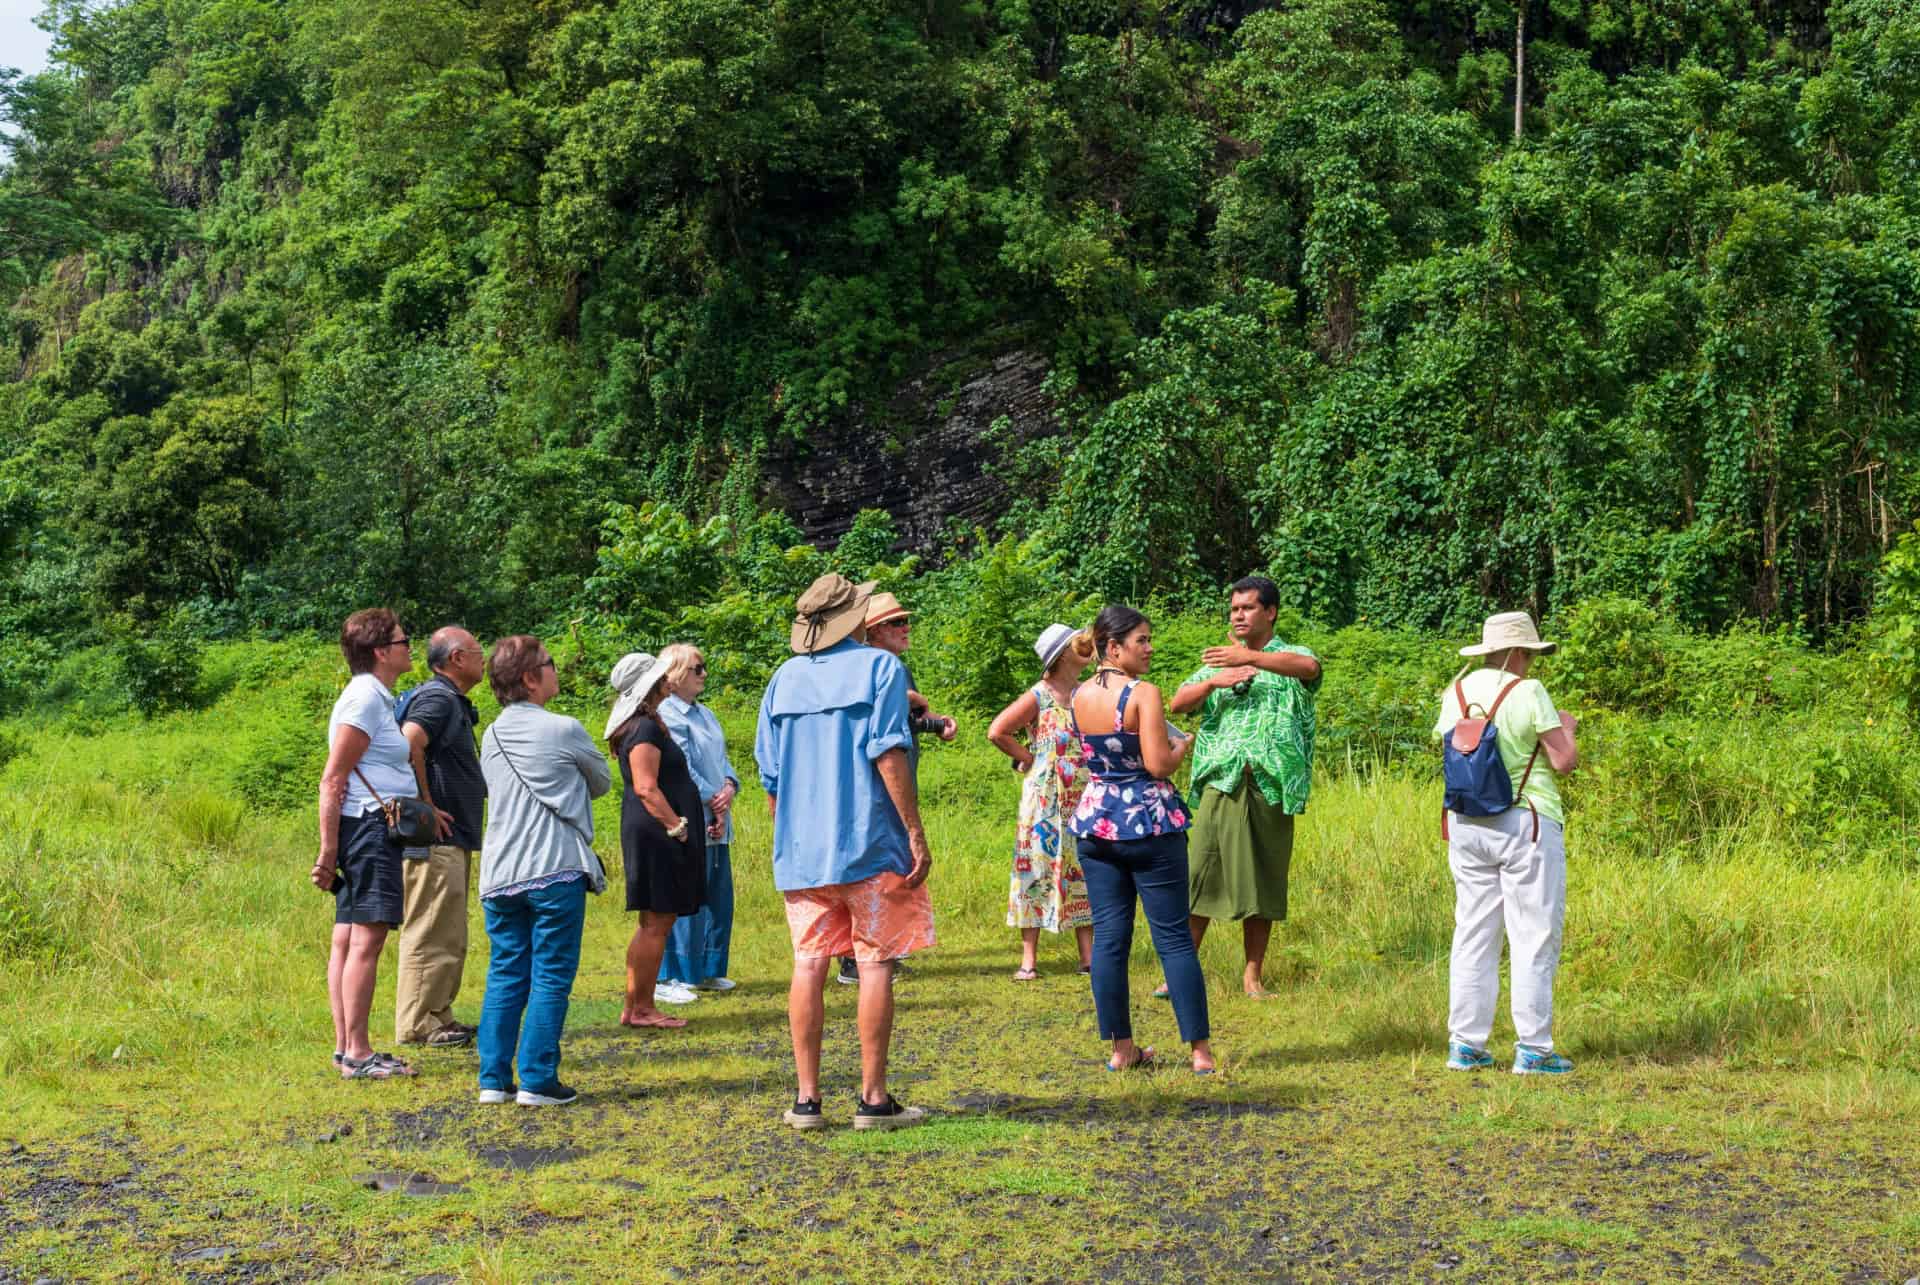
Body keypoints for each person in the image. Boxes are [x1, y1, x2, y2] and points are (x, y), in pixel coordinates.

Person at [758, 573, 935, 1130]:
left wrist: (792, 834)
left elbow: (771, 775)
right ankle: (873, 1099)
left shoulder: (783, 679)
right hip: (870, 841)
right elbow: (888, 752)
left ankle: (807, 1100)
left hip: (803, 851)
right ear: (855, 620)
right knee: (875, 961)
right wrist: (914, 831)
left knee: (809, 962)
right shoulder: (882, 669)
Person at [1070, 605, 1215, 1075]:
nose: (1150, 648)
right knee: (1173, 938)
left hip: (1095, 822)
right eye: (1142, 641)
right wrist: (1179, 748)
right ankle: (1200, 1053)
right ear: (1114, 648)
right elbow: (1156, 765)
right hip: (1148, 822)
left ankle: (1121, 1049)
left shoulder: (1078, 694)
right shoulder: (1144, 693)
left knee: (1110, 939)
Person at [1433, 611, 1579, 1076]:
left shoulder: (1456, 693)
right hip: (1525, 820)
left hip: (1467, 823)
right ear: (1519, 652)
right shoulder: (1528, 691)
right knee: (1532, 933)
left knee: (1474, 931)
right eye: (1530, 655)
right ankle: (1534, 1049)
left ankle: (1466, 1044)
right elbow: (1563, 762)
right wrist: (1568, 727)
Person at [475, 635, 613, 1106]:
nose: (557, 671)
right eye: (550, 665)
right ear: (531, 679)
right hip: (553, 865)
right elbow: (601, 782)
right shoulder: (564, 728)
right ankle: (537, 1078)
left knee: (506, 972)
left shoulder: (490, 734)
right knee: (552, 973)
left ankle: (493, 1080)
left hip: (500, 870)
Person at [1170, 575, 1322, 998]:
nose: (1238, 615)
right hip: (1223, 778)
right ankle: (1180, 972)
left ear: (1270, 612)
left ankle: (1252, 976)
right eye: (1234, 609)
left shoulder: (1292, 656)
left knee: (1265, 877)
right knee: (1201, 872)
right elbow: (1178, 703)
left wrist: (1250, 659)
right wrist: (1212, 680)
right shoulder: (1219, 661)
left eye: (1248, 608)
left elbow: (1309, 670)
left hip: (1272, 783)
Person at [313, 607, 419, 1080]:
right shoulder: (365, 700)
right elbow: (333, 779)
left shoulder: (374, 696)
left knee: (349, 938)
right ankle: (357, 1051)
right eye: (402, 640)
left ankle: (347, 1046)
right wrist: (328, 850)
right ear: (380, 651)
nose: (409, 646)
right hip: (369, 829)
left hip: (364, 829)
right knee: (366, 939)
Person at [835, 591, 954, 986]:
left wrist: (934, 723)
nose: (906, 629)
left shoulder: (893, 665)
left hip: (894, 779)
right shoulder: (876, 668)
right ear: (872, 631)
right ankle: (857, 960)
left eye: (907, 621)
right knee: (873, 869)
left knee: (886, 867)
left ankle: (877, 951)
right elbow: (871, 715)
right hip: (875, 783)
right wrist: (909, 700)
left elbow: (899, 721)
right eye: (896, 623)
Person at [393, 625, 488, 1048]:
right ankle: (417, 1023)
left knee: (448, 931)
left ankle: (438, 1014)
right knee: (430, 930)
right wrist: (426, 805)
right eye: (476, 650)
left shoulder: (449, 700)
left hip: (452, 839)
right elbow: (408, 742)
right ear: (456, 659)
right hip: (435, 841)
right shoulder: (437, 698)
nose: (483, 657)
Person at [987, 623, 1095, 979]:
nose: (1088, 647)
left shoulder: (1085, 694)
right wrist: (1030, 759)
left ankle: (1089, 957)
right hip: (1044, 794)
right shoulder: (1039, 694)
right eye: (1079, 644)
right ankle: (1029, 959)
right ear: (1063, 654)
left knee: (1083, 867)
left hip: (1082, 793)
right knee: (1034, 866)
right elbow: (998, 730)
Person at [607, 651, 706, 1030]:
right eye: (659, 675)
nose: (667, 678)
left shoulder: (644, 724)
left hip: (652, 829)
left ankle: (636, 1006)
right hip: (657, 832)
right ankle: (643, 1008)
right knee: (656, 922)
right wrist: (677, 827)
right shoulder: (645, 728)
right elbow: (647, 788)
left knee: (653, 921)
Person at [654, 642, 742, 1000]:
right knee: (687, 896)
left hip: (716, 816)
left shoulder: (705, 713)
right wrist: (712, 799)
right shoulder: (668, 715)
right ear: (673, 678)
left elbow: (723, 760)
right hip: (689, 817)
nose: (704, 674)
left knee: (717, 897)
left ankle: (707, 968)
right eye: (697, 668)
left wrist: (729, 787)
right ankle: (673, 974)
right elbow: (681, 766)